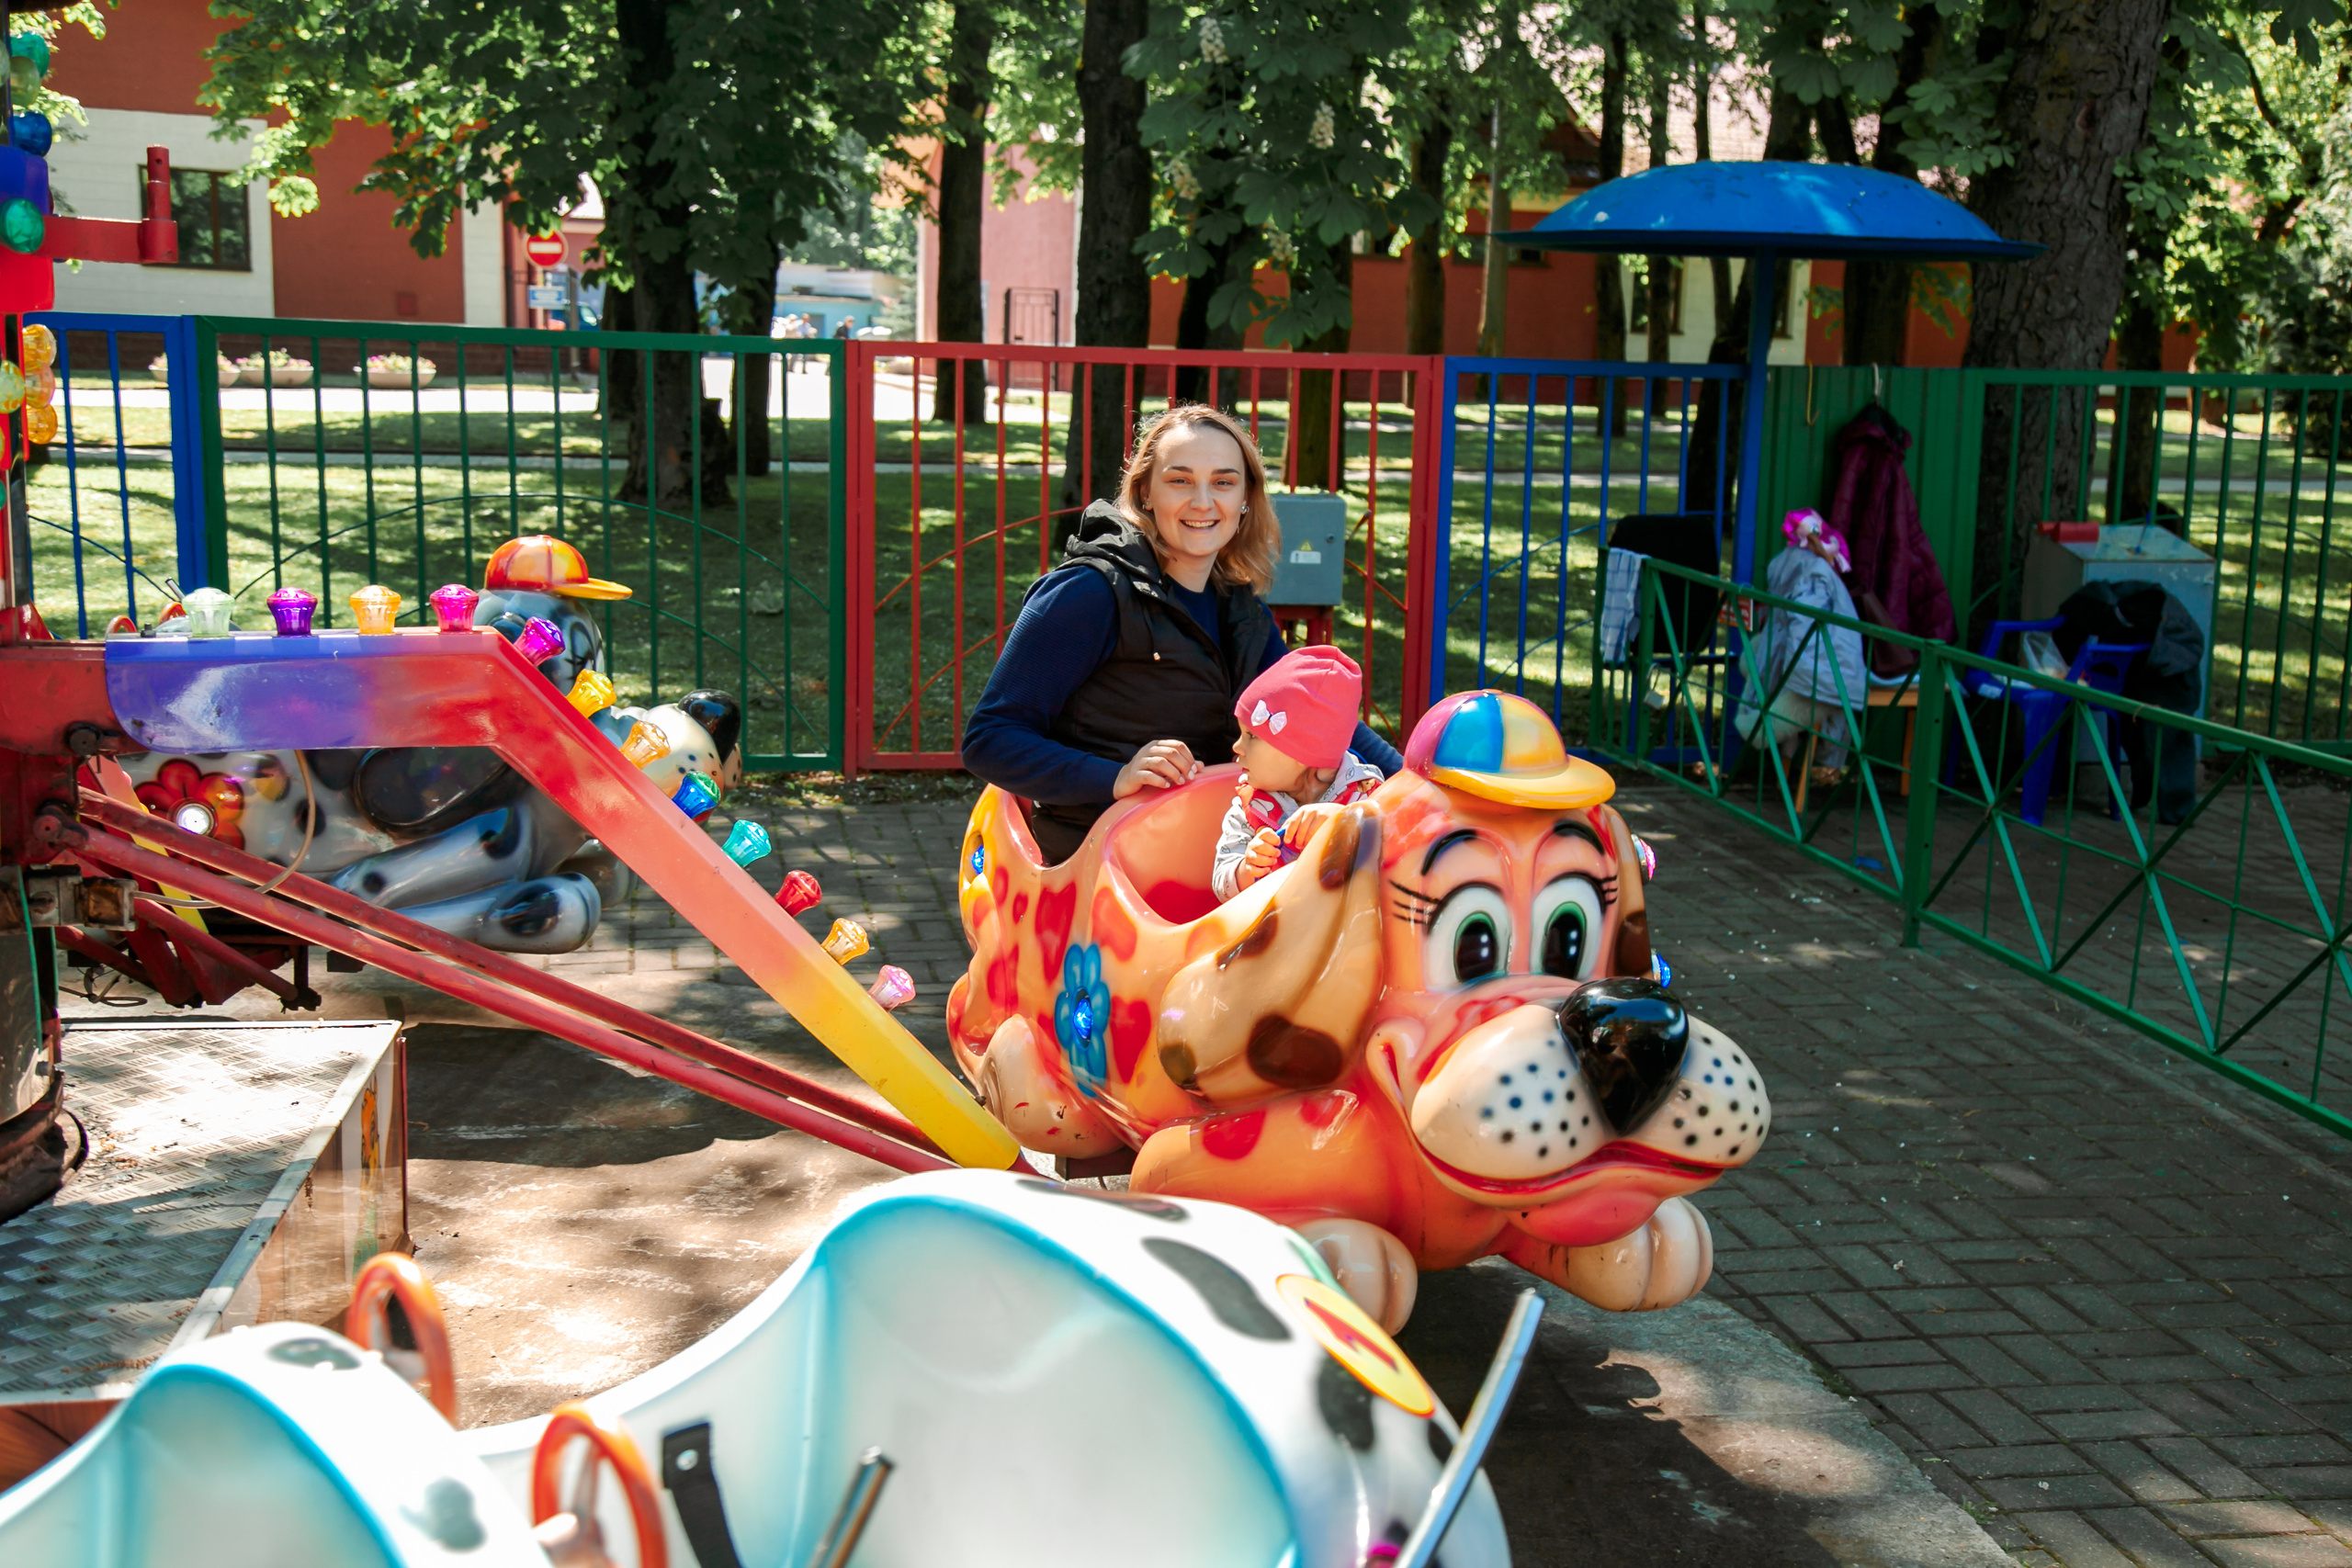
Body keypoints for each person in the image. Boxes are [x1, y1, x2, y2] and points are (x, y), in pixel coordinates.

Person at [961, 403, 1404, 864]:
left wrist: (1411, 783)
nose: (1203, 501)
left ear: (1245, 499)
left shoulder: (1241, 608)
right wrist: (1116, 776)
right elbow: (990, 740)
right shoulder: (1088, 594)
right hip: (1101, 875)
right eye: (1180, 480)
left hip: (1221, 864)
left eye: (1224, 482)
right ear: (1145, 492)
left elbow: (1321, 720)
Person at [1211, 646, 1386, 900]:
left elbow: (1401, 856)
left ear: (1302, 753)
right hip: (1275, 933)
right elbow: (1220, 884)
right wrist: (1246, 870)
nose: (1237, 747)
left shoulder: (1367, 798)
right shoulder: (1251, 807)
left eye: (1251, 736)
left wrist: (1348, 821)